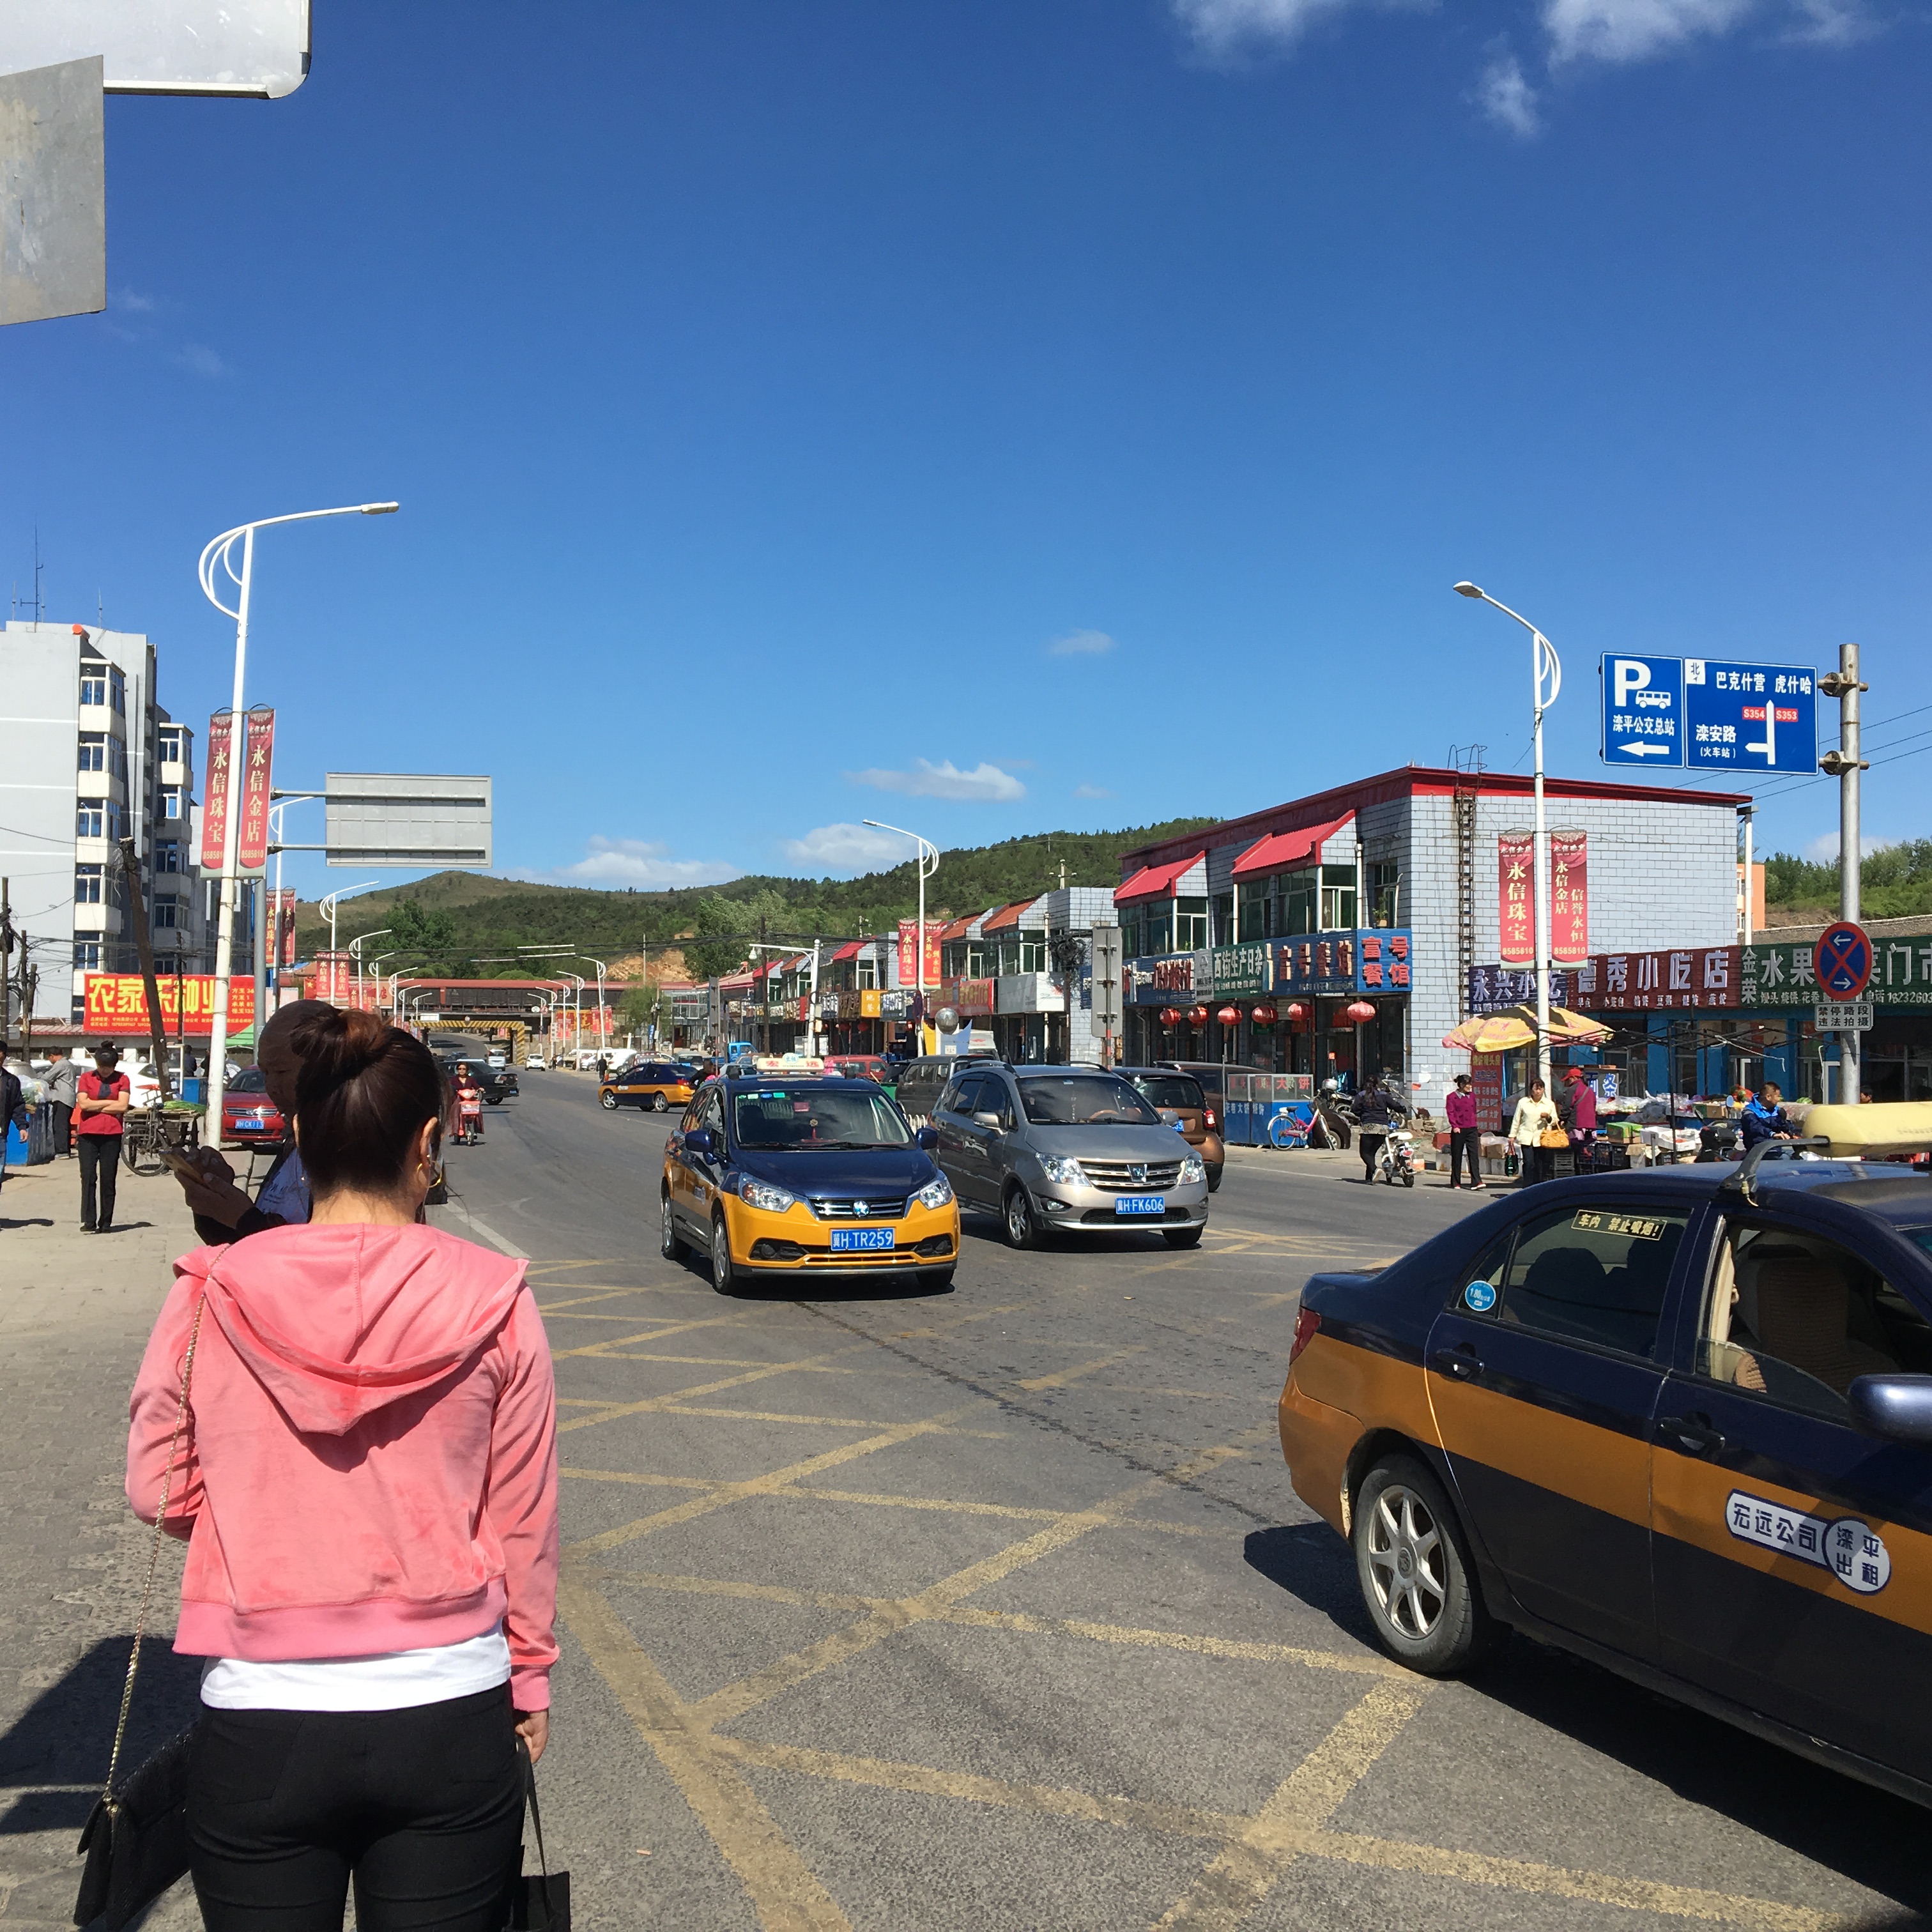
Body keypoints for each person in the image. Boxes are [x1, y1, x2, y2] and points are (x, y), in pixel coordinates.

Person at [126, 1006, 558, 1932]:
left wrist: (266, 1511)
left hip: (262, 1713)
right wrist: (529, 1676)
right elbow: (522, 1517)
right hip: (451, 1708)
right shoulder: (498, 1300)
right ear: (428, 1142)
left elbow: (159, 1488)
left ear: (302, 1135)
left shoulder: (210, 1292)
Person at [176, 999, 334, 1245]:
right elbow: (243, 1246)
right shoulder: (294, 1144)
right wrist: (215, 1200)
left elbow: (321, 1256)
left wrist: (245, 1219)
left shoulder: (348, 1154)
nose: (271, 1087)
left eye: (281, 1072)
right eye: (265, 1073)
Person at [75, 1041, 131, 1232]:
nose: (105, 1071)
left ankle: (106, 1221)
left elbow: (122, 1106)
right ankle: (88, 1220)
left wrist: (96, 1105)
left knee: (108, 1178)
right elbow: (83, 1104)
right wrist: (109, 1104)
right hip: (88, 1134)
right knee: (88, 1176)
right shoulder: (86, 1078)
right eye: (102, 1067)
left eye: (109, 1067)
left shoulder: (123, 1079)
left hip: (112, 1134)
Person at [1510, 1077, 1561, 1186]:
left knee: (1540, 1164)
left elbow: (1555, 1120)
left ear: (1544, 1090)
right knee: (1529, 1163)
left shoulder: (1549, 1104)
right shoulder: (1523, 1102)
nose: (1538, 1092)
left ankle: (1538, 1186)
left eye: (1540, 1089)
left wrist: (1548, 1117)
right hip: (1526, 1137)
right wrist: (1512, 1135)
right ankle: (1527, 1186)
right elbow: (1517, 1119)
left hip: (1541, 1138)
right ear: (1531, 1090)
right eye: (1536, 1089)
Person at [1444, 1073, 1485, 1190]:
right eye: (1468, 1085)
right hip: (1459, 1129)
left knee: (1474, 1155)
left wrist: (1474, 1122)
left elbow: (1474, 1110)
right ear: (1461, 1085)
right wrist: (1455, 1126)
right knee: (1457, 1156)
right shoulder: (1452, 1097)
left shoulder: (1472, 1096)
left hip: (1472, 1128)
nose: (1470, 1087)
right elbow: (1450, 1113)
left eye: (1471, 1085)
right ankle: (1456, 1181)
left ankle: (1476, 1181)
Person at [1354, 1080, 1393, 1182]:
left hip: (1368, 1128)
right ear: (1377, 1085)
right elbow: (1395, 1105)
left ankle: (1375, 1169)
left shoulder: (1361, 1095)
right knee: (1371, 1153)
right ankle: (1369, 1178)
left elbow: (1355, 1109)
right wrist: (1403, 1109)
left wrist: (1362, 1113)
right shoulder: (1384, 1095)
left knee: (1365, 1153)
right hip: (1382, 1128)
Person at [1740, 1080, 1795, 1150]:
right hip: (1759, 1150)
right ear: (1768, 1097)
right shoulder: (1749, 1112)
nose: (1779, 1099)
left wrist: (1793, 1133)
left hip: (1776, 1147)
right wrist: (1772, 1134)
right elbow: (1756, 1127)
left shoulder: (1777, 1111)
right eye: (1777, 1096)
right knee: (1786, 1155)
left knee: (1798, 1154)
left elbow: (1784, 1126)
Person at [43, 1050, 79, 1157]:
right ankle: (66, 1149)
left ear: (52, 1056)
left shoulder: (61, 1064)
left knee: (59, 1125)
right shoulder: (69, 1064)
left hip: (62, 1098)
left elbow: (47, 1078)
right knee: (65, 1124)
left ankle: (62, 1151)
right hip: (68, 1098)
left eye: (49, 1059)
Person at [456, 1067, 484, 1144]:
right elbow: (451, 1087)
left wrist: (480, 1089)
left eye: (464, 1069)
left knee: (477, 1109)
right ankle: (457, 1129)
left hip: (469, 1099)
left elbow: (476, 1086)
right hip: (459, 1099)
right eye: (460, 1069)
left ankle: (477, 1127)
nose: (462, 1070)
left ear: (467, 1070)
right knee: (456, 1109)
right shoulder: (454, 1079)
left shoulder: (470, 1079)